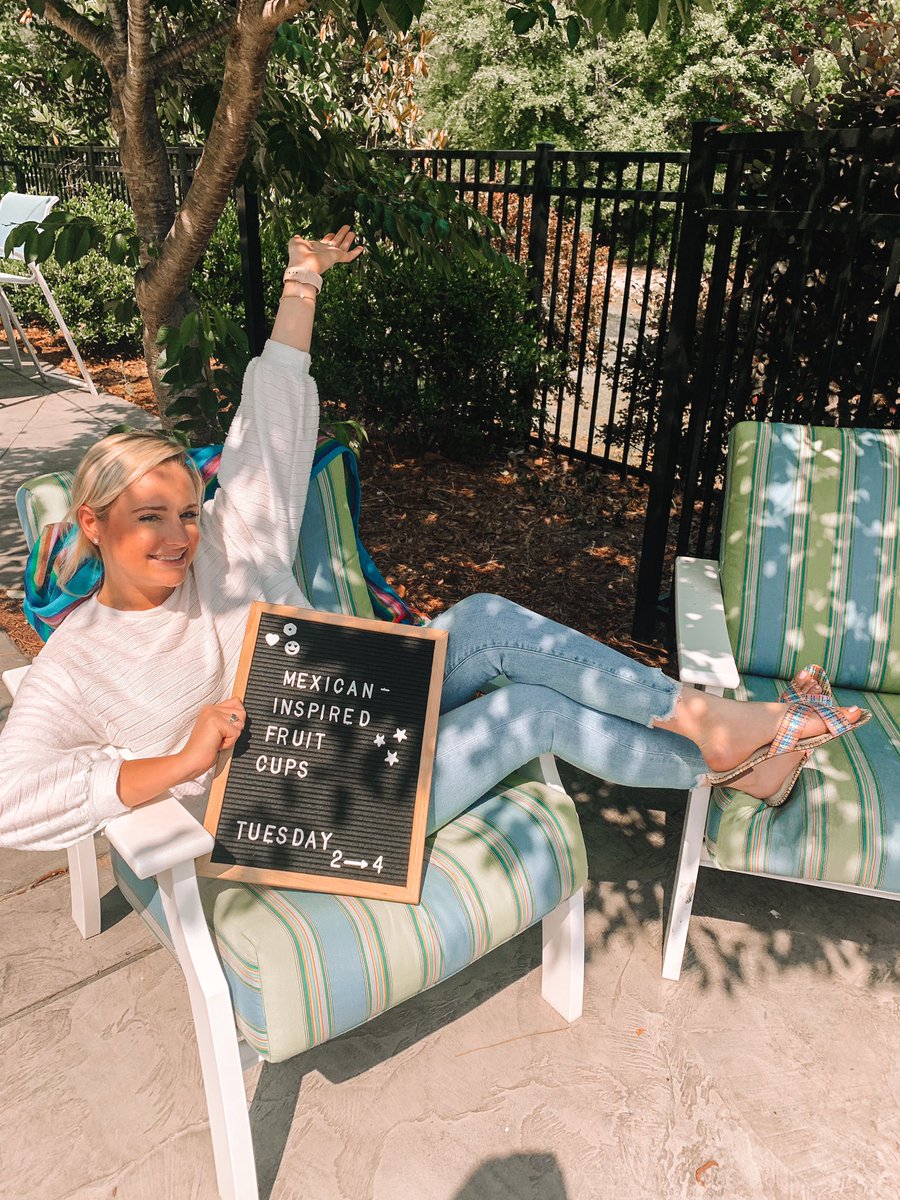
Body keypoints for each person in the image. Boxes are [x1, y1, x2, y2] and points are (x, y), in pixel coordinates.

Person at [0, 228, 867, 852]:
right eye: (148, 516)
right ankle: (739, 764)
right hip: (311, 807)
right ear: (93, 524)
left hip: (361, 703)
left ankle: (710, 726)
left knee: (487, 618)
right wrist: (176, 762)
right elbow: (11, 799)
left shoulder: (229, 546)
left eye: (187, 511)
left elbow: (268, 412)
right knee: (530, 713)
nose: (179, 536)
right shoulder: (79, 663)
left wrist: (303, 279)